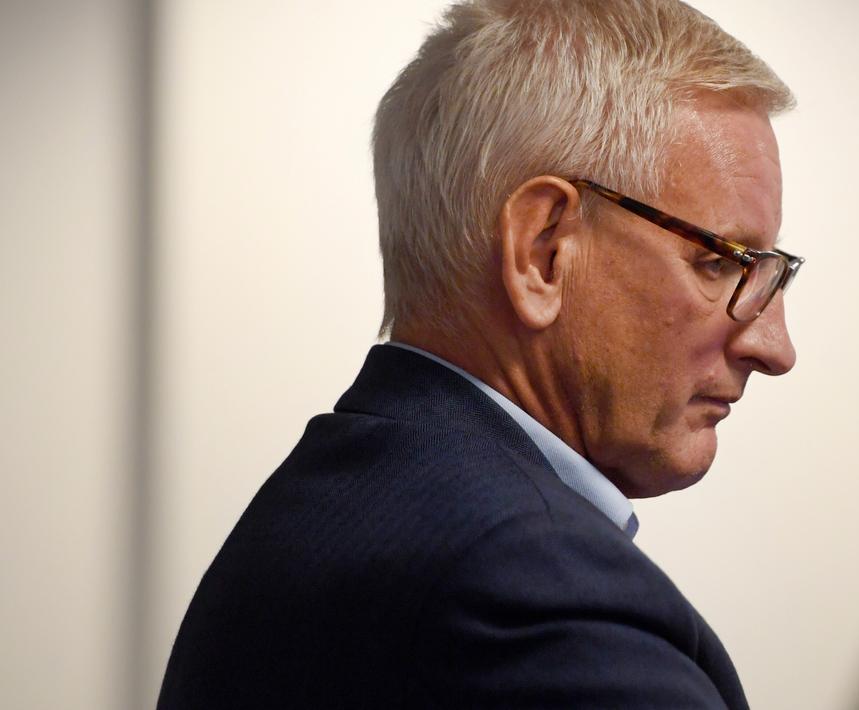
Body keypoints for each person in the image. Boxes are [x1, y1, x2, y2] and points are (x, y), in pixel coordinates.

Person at [156, 0, 801, 707]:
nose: (775, 347)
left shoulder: (344, 505)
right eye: (721, 263)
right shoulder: (525, 589)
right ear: (542, 253)